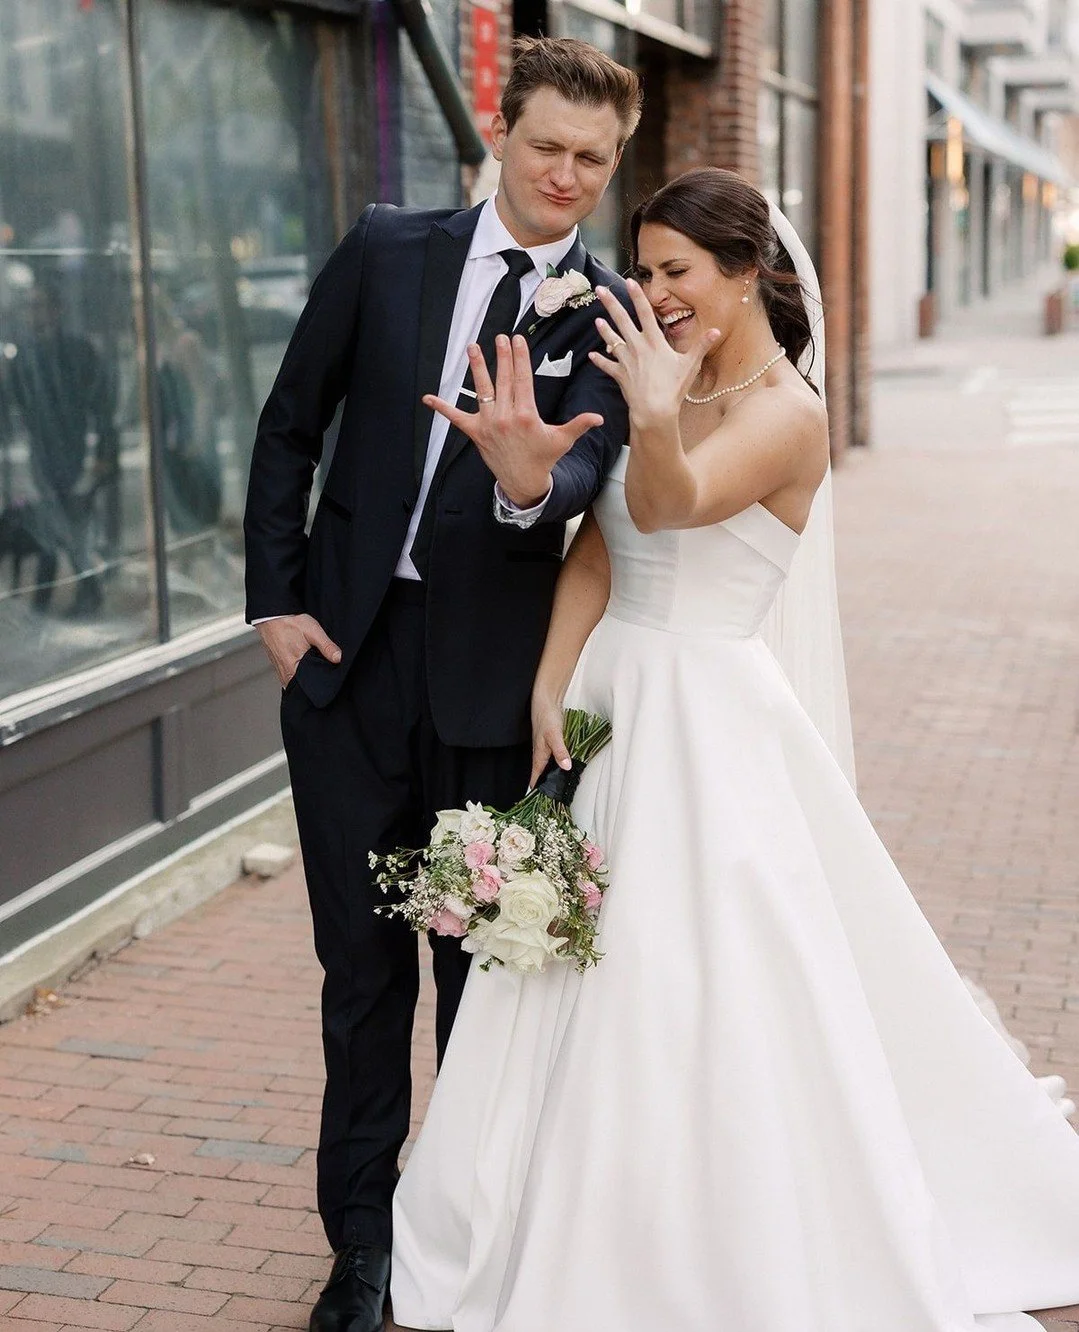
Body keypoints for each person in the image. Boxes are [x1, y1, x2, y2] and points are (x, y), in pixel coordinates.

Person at [390, 167, 1079, 1332]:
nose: (652, 293)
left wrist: (653, 416)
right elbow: (602, 548)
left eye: (675, 272)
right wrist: (551, 683)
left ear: (746, 271)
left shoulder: (786, 414)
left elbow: (664, 506)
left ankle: (685, 1232)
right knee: (562, 966)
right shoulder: (669, 376)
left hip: (708, 721)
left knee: (691, 977)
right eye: (644, 270)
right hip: (611, 705)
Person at [242, 37, 640, 1332]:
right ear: (497, 131)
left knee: (483, 973)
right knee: (362, 978)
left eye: (592, 158)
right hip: (348, 672)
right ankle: (359, 1251)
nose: (567, 176)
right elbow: (291, 421)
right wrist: (277, 602)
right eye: (547, 149)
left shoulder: (609, 316)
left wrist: (525, 474)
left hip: (493, 693)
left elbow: (572, 490)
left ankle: (457, 1241)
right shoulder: (388, 247)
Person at [3, 278, 116, 615]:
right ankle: (83, 589)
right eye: (31, 307)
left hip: (76, 452)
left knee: (74, 527)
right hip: (45, 456)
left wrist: (99, 456)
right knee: (62, 527)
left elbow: (98, 405)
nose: (34, 314)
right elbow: (17, 404)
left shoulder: (76, 349)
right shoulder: (26, 355)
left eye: (40, 306)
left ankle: (86, 589)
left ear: (56, 309)